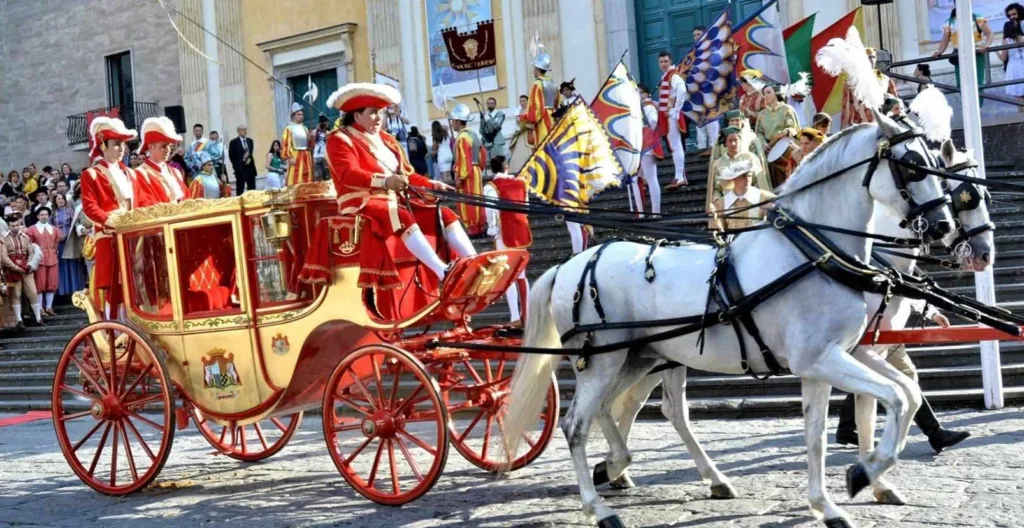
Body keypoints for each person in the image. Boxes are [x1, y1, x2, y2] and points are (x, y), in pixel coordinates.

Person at [324, 82, 477, 286]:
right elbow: (348, 174)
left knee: (443, 214)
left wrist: (430, 184)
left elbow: (406, 174)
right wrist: (385, 181)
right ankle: (442, 272)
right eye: (372, 112)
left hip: (393, 201)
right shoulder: (339, 139)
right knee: (402, 215)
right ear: (356, 115)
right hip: (359, 203)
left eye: (381, 112)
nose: (379, 117)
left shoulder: (387, 140)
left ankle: (475, 263)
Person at [835, 308, 971, 454]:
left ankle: (846, 428)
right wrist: (932, 313)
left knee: (878, 375)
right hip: (876, 329)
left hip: (888, 329)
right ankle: (935, 433)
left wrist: (932, 312)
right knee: (902, 378)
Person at [80, 117, 149, 317]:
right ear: (102, 145)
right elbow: (90, 207)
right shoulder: (91, 174)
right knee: (114, 289)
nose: (122, 148)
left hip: (134, 238)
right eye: (116, 144)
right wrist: (112, 220)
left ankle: (136, 330)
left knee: (136, 288)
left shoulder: (132, 174)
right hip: (110, 238)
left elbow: (142, 201)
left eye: (123, 144)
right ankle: (116, 335)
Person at [482, 155, 531, 324]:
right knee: (521, 276)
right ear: (506, 167)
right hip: (520, 231)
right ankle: (527, 314)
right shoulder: (521, 183)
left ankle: (515, 316)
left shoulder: (491, 187)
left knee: (508, 275)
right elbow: (526, 207)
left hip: (503, 233)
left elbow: (490, 211)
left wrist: (493, 228)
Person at [932, 8, 993, 106]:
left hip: (976, 53)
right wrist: (939, 52)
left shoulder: (976, 17)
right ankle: (967, 106)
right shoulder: (950, 21)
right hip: (959, 55)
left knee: (977, 81)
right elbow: (945, 39)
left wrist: (987, 44)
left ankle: (977, 107)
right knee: (961, 83)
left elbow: (989, 33)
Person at [706, 126, 765, 221]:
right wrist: (716, 198)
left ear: (740, 142)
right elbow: (716, 187)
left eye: (736, 140)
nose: (733, 143)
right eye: (730, 140)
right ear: (725, 143)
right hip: (728, 202)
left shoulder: (750, 157)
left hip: (750, 200)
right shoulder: (718, 163)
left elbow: (759, 181)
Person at [1, 213, 44, 328]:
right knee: (16, 294)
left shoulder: (25, 236)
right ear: (9, 226)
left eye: (16, 225)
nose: (15, 227)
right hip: (12, 270)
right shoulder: (3, 238)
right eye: (12, 225)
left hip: (25, 268)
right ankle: (19, 320)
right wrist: (16, 267)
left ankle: (38, 318)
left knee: (33, 292)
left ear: (19, 224)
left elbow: (30, 252)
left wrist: (28, 265)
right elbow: (4, 257)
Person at [450, 104, 487, 237]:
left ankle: (473, 227)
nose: (452, 123)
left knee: (468, 199)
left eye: (453, 120)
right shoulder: (473, 135)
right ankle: (480, 225)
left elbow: (464, 158)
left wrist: (461, 176)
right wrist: (479, 168)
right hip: (476, 170)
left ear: (458, 121)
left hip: (468, 172)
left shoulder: (462, 138)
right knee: (478, 199)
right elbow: (483, 153)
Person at [135, 116, 190, 204]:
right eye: (163, 146)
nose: (168, 149)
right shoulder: (140, 174)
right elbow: (146, 204)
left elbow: (187, 198)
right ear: (151, 147)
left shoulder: (175, 172)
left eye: (169, 146)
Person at [709, 160, 775, 232]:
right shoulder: (721, 203)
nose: (747, 179)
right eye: (743, 176)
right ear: (734, 178)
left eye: (749, 175)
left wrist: (773, 208)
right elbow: (717, 232)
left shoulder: (765, 197)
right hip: (732, 242)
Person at [755, 84, 800, 187]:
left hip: (786, 147)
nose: (766, 96)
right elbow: (759, 133)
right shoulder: (762, 114)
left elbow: (793, 128)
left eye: (769, 92)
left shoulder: (787, 109)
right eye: (764, 94)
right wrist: (763, 144)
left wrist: (787, 131)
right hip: (769, 150)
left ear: (776, 93)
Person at [841, 48, 899, 128]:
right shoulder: (852, 81)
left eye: (873, 57)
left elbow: (895, 100)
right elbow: (847, 105)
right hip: (860, 121)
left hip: (881, 118)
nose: (871, 60)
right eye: (868, 57)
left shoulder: (885, 79)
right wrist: (846, 125)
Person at [658, 51, 689, 190]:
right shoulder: (667, 76)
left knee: (676, 146)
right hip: (668, 114)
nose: (663, 64)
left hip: (671, 115)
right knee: (674, 146)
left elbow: (682, 90)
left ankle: (680, 177)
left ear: (670, 61)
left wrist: (676, 110)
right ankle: (678, 176)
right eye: (661, 62)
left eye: (665, 61)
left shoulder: (673, 75)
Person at [631, 84, 665, 214]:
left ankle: (656, 212)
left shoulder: (648, 107)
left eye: (640, 92)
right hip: (639, 146)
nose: (637, 95)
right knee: (635, 179)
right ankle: (640, 212)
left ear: (646, 94)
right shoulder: (637, 109)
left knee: (651, 178)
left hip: (647, 145)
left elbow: (652, 123)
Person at [25, 207, 60, 316]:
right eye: (42, 214)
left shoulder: (54, 229)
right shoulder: (31, 229)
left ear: (48, 216)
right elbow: (28, 245)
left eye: (46, 214)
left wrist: (54, 250)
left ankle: (49, 307)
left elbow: (57, 242)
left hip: (53, 258)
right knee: (40, 284)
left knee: (52, 283)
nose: (44, 216)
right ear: (38, 216)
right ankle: (40, 308)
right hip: (39, 259)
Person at [524, 48, 559, 149]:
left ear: (538, 69)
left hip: (543, 119)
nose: (533, 70)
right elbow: (557, 102)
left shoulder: (537, 84)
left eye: (534, 68)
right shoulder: (553, 83)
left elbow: (536, 106)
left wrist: (531, 121)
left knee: (543, 146)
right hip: (553, 116)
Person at [53, 193, 86, 296]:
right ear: (55, 201)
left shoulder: (71, 211)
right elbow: (51, 228)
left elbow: (76, 224)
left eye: (62, 199)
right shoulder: (53, 214)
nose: (61, 200)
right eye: (58, 199)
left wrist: (67, 235)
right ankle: (64, 292)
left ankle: (76, 291)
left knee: (73, 265)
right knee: (62, 267)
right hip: (59, 243)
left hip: (70, 241)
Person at [281, 102, 313, 186]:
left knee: (307, 175)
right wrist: (289, 157)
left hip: (306, 155)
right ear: (293, 116)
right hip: (296, 155)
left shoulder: (305, 128)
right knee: (296, 176)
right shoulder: (289, 128)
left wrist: (311, 138)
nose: (301, 116)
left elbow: (308, 145)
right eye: (298, 114)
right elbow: (286, 143)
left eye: (302, 114)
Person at [1000, 15, 1024, 110]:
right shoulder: (1023, 38)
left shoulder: (1006, 41)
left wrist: (996, 52)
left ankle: (1021, 118)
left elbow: (1003, 58)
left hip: (1013, 68)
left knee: (1018, 96)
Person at [229, 124, 258, 195]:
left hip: (250, 167)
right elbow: (231, 156)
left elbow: (250, 154)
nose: (245, 131)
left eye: (245, 129)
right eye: (243, 129)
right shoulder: (233, 142)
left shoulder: (250, 141)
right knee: (240, 188)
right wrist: (236, 167)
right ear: (238, 131)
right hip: (240, 168)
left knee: (252, 188)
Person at [479, 97, 507, 163]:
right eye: (488, 103)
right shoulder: (485, 114)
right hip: (486, 142)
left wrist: (487, 118)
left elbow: (496, 126)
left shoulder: (499, 114)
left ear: (495, 104)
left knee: (498, 162)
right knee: (489, 164)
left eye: (492, 103)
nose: (490, 105)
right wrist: (482, 118)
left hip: (496, 140)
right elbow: (481, 130)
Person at [312, 115, 331, 181]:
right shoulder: (315, 131)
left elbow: (330, 141)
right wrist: (317, 130)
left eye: (325, 123)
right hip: (317, 157)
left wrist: (324, 131)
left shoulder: (329, 131)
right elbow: (312, 141)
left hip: (326, 157)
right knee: (318, 177)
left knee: (327, 177)